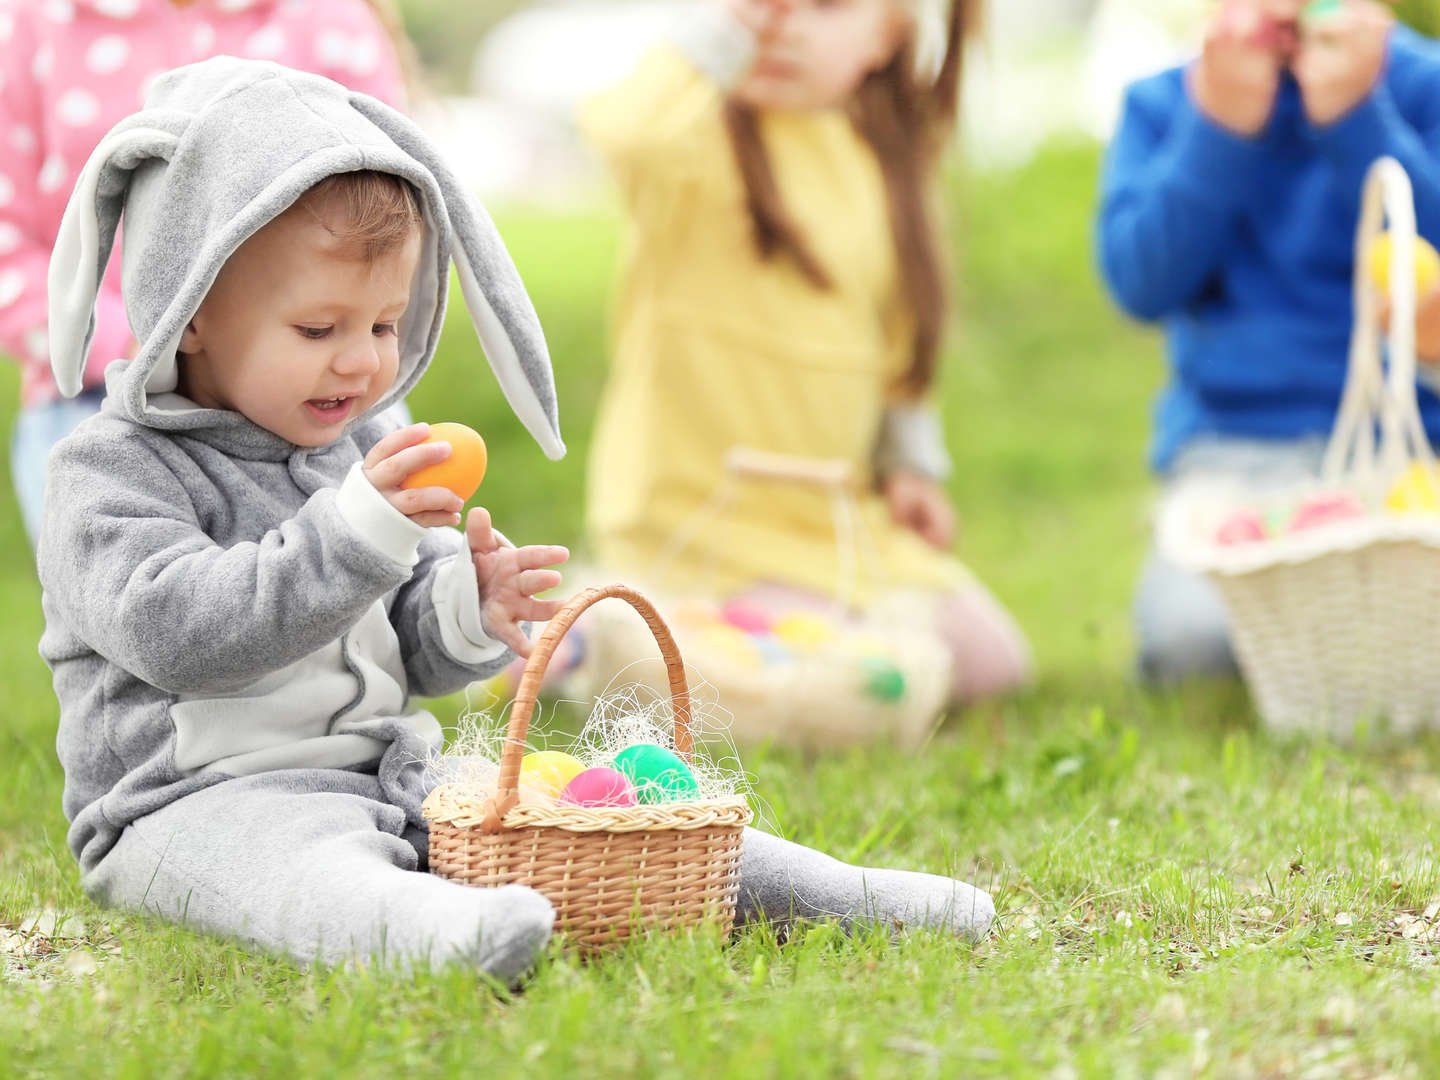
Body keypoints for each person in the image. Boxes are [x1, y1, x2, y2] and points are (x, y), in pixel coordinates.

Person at [38, 58, 995, 980]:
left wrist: (464, 608)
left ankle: (828, 892)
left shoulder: (353, 441)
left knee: (581, 814)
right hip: (194, 803)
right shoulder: (108, 469)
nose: (360, 364)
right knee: (305, 873)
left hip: (386, 774)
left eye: (382, 325)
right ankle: (429, 933)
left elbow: (395, 643)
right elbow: (179, 636)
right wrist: (354, 538)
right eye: (318, 329)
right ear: (188, 309)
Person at [575, 0, 1031, 708]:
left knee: (989, 663)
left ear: (889, 33)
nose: (779, 23)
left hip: (826, 523)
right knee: (837, 681)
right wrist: (725, 32)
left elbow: (897, 344)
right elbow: (625, 133)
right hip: (703, 527)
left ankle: (631, 633)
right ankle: (604, 636)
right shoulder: (696, 139)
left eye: (822, 6)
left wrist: (907, 464)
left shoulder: (879, 160)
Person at [1097, 0, 1440, 683]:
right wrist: (1216, 130)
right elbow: (1141, 284)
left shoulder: (1421, 85)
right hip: (1235, 457)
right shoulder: (1167, 104)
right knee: (1190, 644)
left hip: (1413, 449)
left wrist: (1357, 120)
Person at [0, 0, 414, 546]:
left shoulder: (326, 19)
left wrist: (456, 598)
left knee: (402, 558)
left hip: (332, 389)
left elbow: (397, 204)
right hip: (97, 392)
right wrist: (145, 333)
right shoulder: (33, 22)